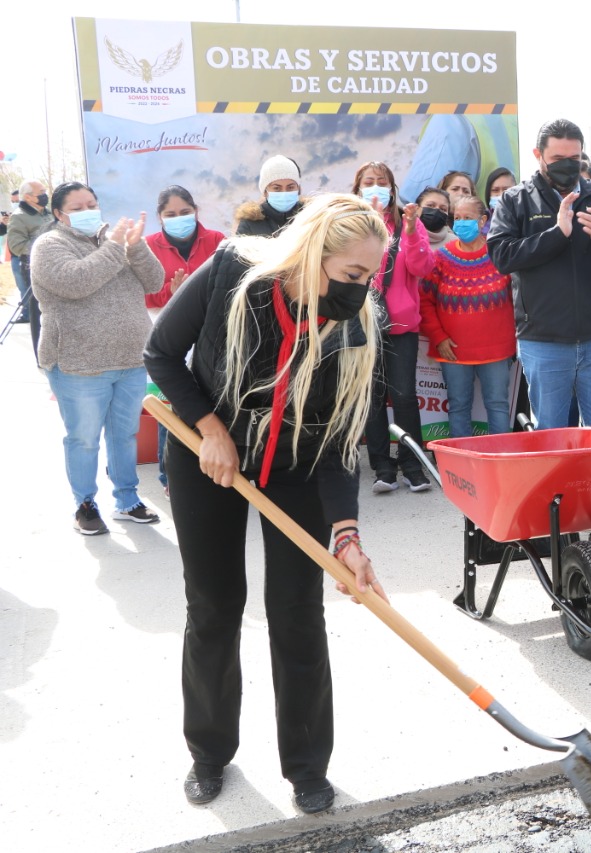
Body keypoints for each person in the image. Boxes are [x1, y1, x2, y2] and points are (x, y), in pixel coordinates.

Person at [143, 194, 391, 814]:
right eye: (353, 275)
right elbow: (161, 355)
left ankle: (307, 764)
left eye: (371, 277)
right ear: (312, 254)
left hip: (296, 468)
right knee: (215, 606)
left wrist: (348, 537)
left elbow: (337, 442)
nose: (361, 291)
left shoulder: (355, 329)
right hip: (207, 457)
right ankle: (208, 752)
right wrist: (210, 428)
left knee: (298, 611)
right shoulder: (231, 272)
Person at [487, 118, 591, 430]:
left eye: (574, 158)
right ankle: (557, 483)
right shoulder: (515, 200)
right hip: (543, 341)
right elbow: (502, 257)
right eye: (558, 159)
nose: (567, 165)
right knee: (551, 434)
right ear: (538, 155)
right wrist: (557, 234)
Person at [30, 182, 164, 534]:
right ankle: (85, 503)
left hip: (131, 359)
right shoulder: (50, 245)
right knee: (84, 438)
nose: (88, 210)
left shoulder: (116, 239)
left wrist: (135, 247)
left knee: (125, 435)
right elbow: (77, 282)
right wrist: (116, 247)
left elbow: (154, 281)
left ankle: (128, 499)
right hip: (79, 364)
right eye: (77, 206)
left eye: (92, 203)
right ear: (59, 213)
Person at [351, 161, 436, 494]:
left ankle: (413, 466)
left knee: (403, 396)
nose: (376, 187)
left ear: (392, 187)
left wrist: (413, 231)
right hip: (361, 325)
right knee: (371, 399)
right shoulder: (348, 222)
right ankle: (382, 468)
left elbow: (423, 267)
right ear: (358, 189)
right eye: (368, 182)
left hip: (402, 325)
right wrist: (366, 224)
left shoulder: (407, 224)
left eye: (381, 182)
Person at [144, 185, 229, 495]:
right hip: (168, 337)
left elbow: (228, 284)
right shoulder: (148, 246)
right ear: (160, 217)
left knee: (209, 402)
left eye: (184, 212)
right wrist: (174, 292)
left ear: (196, 211)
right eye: (171, 214)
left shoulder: (218, 241)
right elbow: (146, 294)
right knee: (174, 404)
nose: (179, 218)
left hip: (211, 335)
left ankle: (216, 466)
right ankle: (171, 476)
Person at [420, 194, 514, 438]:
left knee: (498, 405)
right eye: (457, 218)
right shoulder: (441, 257)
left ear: (483, 220)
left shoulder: (500, 254)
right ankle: (462, 465)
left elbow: (518, 298)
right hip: (452, 349)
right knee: (458, 405)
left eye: (468, 218)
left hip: (496, 350)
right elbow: (425, 301)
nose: (461, 223)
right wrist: (438, 337)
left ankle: (500, 461)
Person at [8, 180, 52, 349]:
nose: (44, 195)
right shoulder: (19, 217)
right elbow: (16, 245)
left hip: (55, 264)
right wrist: (44, 246)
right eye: (40, 192)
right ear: (27, 197)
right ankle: (41, 353)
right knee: (37, 311)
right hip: (33, 266)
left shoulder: (48, 213)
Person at [236, 155, 306, 237]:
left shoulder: (312, 218)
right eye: (277, 188)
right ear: (265, 192)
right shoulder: (249, 224)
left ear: (298, 188)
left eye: (290, 187)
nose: (284, 193)